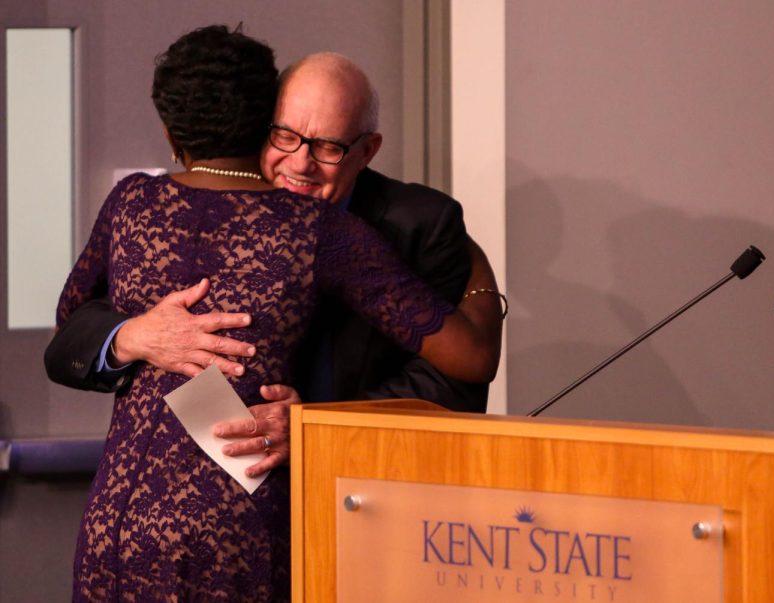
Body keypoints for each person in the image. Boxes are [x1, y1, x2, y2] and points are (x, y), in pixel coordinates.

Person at [57, 25, 499, 601]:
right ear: (258, 126)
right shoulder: (155, 207)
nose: (300, 163)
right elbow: (73, 328)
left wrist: (322, 425)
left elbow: (457, 383)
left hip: (348, 525)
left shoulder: (417, 223)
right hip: (143, 524)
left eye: (328, 147)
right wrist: (134, 334)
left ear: (368, 150)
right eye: (285, 136)